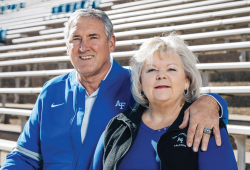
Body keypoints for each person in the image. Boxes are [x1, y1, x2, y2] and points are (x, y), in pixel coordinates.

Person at [1, 9, 228, 170]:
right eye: (76, 38)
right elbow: (25, 156)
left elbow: (177, 101)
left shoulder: (138, 86)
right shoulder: (51, 91)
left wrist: (213, 102)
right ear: (66, 46)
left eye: (93, 37)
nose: (84, 46)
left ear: (111, 43)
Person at [90, 34, 237, 170]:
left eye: (171, 69)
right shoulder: (117, 126)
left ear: (187, 81)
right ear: (140, 83)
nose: (161, 75)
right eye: (151, 70)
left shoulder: (206, 125)